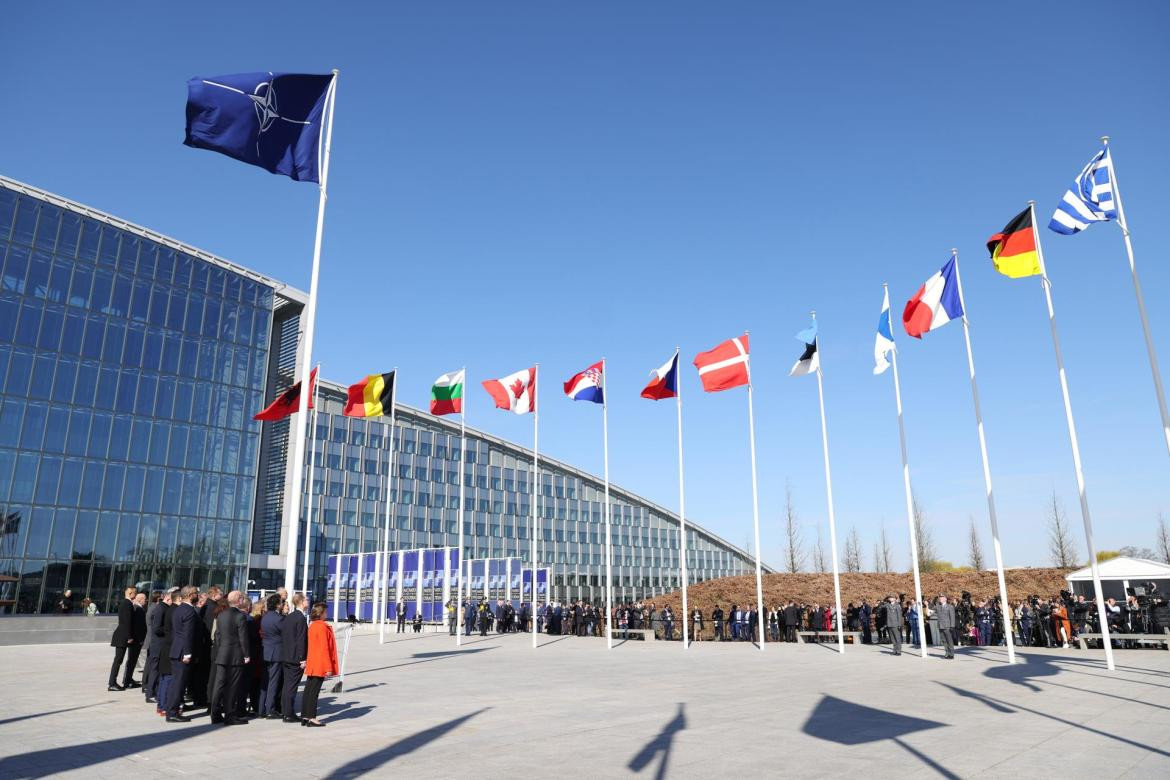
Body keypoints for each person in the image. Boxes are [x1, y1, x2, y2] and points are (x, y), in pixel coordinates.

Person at [165, 586, 199, 723]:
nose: (197, 595)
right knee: (178, 684)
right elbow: (188, 634)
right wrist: (187, 653)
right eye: (196, 593)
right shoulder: (189, 611)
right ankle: (172, 712)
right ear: (191, 595)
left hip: (176, 650)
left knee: (176, 683)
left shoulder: (179, 609)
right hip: (182, 653)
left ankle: (172, 710)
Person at [303, 603, 338, 727]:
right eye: (325, 612)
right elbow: (324, 648)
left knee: (309, 689)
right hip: (320, 663)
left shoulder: (312, 626)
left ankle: (305, 715)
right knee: (314, 691)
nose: (326, 614)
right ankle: (312, 717)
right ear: (321, 613)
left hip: (313, 661)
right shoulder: (322, 627)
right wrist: (328, 667)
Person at [108, 586, 139, 691]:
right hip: (122, 636)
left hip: (122, 635)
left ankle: (117, 681)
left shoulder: (126, 603)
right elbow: (127, 621)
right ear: (130, 593)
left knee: (118, 660)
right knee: (118, 660)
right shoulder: (127, 604)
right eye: (135, 593)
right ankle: (112, 683)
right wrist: (129, 636)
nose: (136, 594)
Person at [260, 593, 285, 718]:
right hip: (276, 653)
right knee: (273, 682)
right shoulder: (278, 618)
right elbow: (285, 634)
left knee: (265, 681)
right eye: (281, 602)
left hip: (266, 651)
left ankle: (261, 709)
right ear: (277, 604)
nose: (283, 604)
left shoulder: (265, 617)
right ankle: (270, 709)